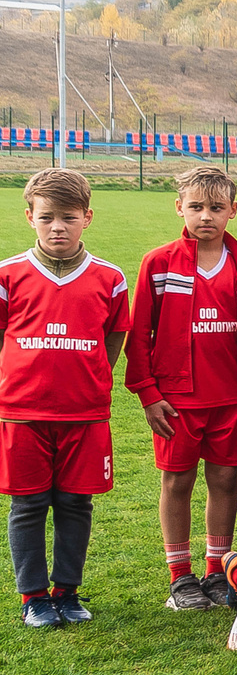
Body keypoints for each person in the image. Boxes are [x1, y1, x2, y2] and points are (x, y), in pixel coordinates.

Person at [129, 165, 237, 610]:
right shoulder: (158, 263)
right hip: (176, 401)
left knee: (225, 480)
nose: (206, 216)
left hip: (230, 399)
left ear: (232, 211)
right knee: (177, 481)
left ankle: (217, 572)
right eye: (196, 207)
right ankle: (180, 577)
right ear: (179, 207)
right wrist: (148, 393)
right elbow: (139, 331)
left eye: (216, 208)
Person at [6, 170, 128, 628]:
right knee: (29, 504)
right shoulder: (8, 274)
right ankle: (33, 597)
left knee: (77, 503)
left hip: (84, 413)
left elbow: (114, 336)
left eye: (68, 218)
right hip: (23, 412)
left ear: (87, 218)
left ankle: (67, 591)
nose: (57, 227)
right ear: (30, 218)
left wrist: (92, 379)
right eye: (47, 218)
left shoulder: (110, 278)